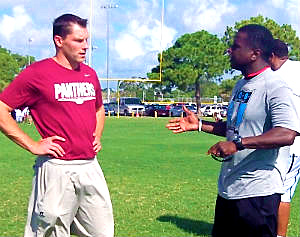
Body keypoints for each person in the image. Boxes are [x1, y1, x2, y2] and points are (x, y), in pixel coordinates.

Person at [166, 24, 300, 237]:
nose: (230, 50)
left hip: (259, 193)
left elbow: (287, 133)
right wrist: (199, 124)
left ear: (255, 53)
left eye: (236, 47)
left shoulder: (276, 86)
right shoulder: (241, 85)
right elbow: (235, 129)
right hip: (230, 190)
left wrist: (237, 145)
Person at [0, 14, 114, 237]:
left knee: (102, 232)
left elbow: (99, 109)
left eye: (87, 40)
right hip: (56, 169)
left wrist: (97, 135)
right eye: (78, 41)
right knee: (50, 232)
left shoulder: (90, 74)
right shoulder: (37, 73)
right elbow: (2, 108)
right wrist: (32, 145)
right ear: (59, 41)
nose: (86, 47)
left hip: (90, 166)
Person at [269, 39, 300, 237]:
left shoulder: (280, 76)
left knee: (282, 193)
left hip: (292, 145)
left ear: (271, 55)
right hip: (285, 142)